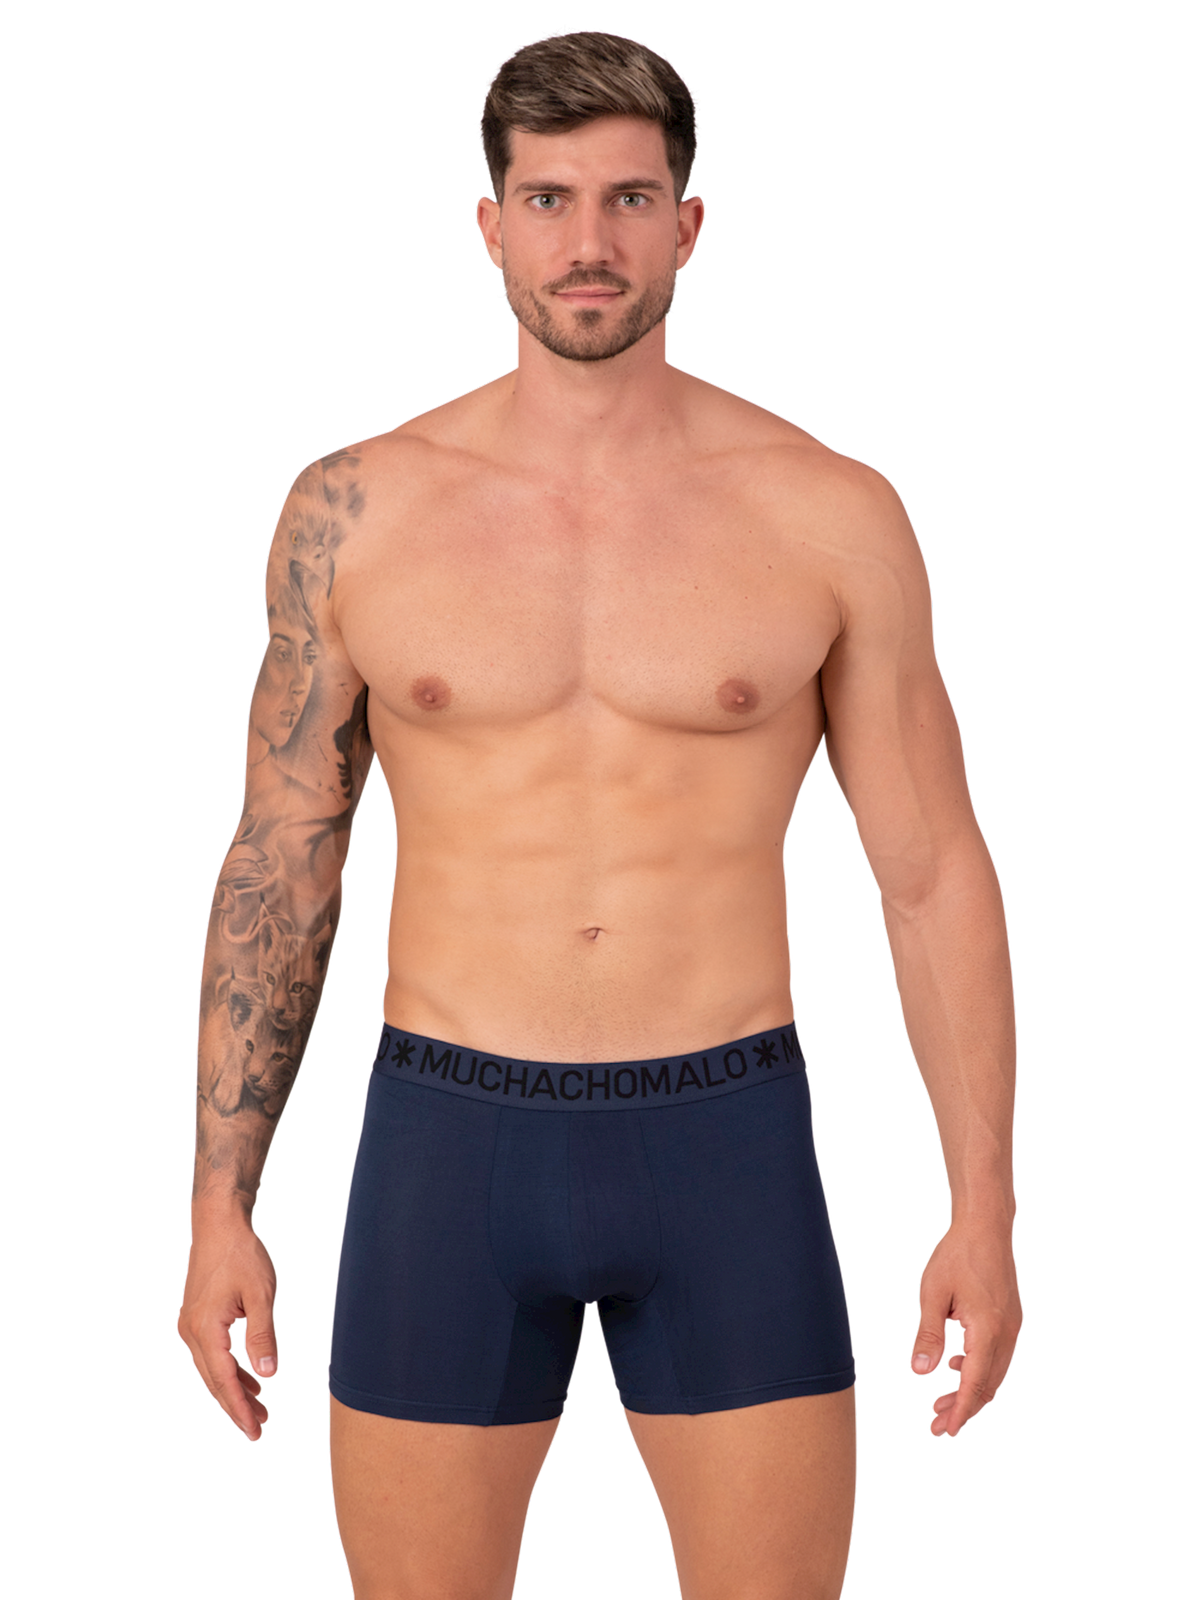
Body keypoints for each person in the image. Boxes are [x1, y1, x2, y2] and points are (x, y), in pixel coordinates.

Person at [176, 27, 1023, 1600]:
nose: (589, 242)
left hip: (729, 1134)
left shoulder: (828, 511)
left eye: (630, 198)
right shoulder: (353, 509)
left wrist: (987, 1210)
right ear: (489, 222)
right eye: (550, 199)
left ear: (688, 223)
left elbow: (929, 872)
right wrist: (218, 1208)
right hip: (446, 1137)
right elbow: (281, 860)